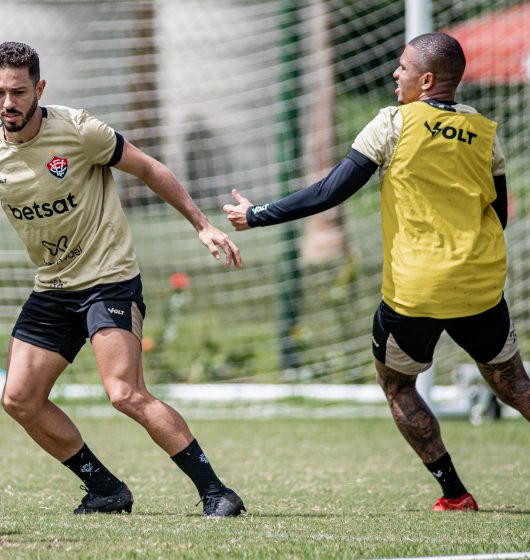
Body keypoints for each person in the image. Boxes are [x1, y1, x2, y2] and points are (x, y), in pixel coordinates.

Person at [0, 42, 245, 517]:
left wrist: (201, 224)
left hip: (109, 278)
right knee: (20, 399)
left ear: (39, 89)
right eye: (0, 92)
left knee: (124, 393)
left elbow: (149, 168)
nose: (9, 103)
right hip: (53, 285)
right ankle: (106, 490)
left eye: (20, 92)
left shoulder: (77, 131)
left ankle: (216, 492)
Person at [223, 32, 530, 511]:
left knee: (398, 386)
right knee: (514, 385)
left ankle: (454, 493)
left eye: (403, 67)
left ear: (426, 80)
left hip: (416, 291)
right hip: (480, 285)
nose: (394, 73)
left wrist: (258, 214)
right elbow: (502, 213)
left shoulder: (393, 123)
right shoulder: (485, 133)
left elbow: (331, 191)